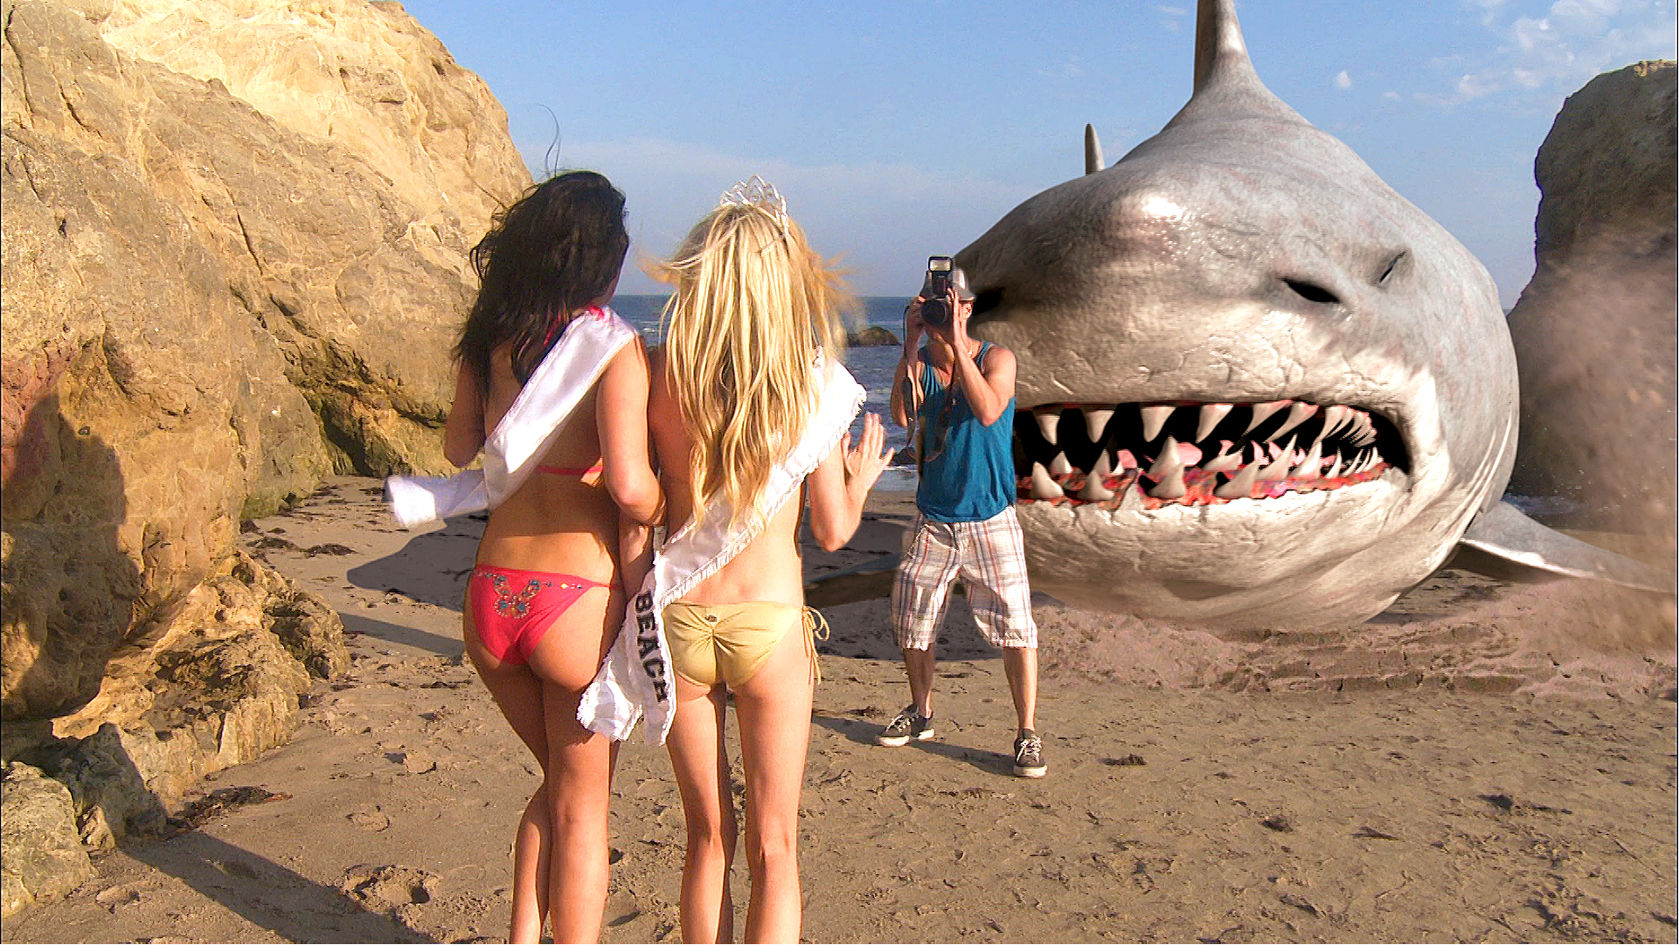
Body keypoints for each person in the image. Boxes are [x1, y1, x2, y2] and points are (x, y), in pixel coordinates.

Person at [641, 177, 893, 943]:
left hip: (680, 620)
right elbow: (834, 531)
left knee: (706, 839)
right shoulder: (810, 385)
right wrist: (860, 479)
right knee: (774, 846)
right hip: (769, 624)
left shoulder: (661, 373)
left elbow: (638, 492)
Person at [441, 170, 663, 943]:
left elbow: (458, 449)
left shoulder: (491, 341)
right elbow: (630, 487)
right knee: (582, 806)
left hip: (491, 590)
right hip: (572, 596)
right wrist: (666, 507)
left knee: (559, 786)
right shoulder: (611, 347)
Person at [881, 266, 1046, 778]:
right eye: (931, 307)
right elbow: (903, 417)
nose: (939, 315)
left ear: (968, 309)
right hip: (933, 518)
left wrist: (956, 343)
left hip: (991, 517)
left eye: (949, 307)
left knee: (1017, 628)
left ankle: (1027, 732)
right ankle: (921, 712)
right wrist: (911, 346)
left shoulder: (997, 358)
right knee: (913, 623)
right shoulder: (921, 363)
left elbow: (990, 409)